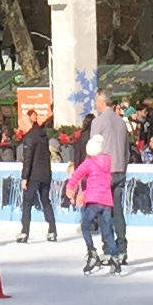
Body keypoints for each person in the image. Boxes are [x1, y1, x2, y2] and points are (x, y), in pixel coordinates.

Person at [67, 140, 115, 271]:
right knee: (107, 230)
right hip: (107, 201)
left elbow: (76, 175)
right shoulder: (108, 161)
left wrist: (70, 187)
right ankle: (115, 258)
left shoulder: (89, 162)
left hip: (94, 200)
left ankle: (92, 252)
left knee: (85, 226)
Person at [16, 115, 58, 245]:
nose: (19, 128)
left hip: (33, 175)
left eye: (20, 125)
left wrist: (24, 177)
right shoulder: (43, 136)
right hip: (45, 173)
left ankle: (25, 231)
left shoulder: (29, 138)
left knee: (27, 202)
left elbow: (27, 159)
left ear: (24, 124)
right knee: (46, 201)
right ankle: (52, 230)